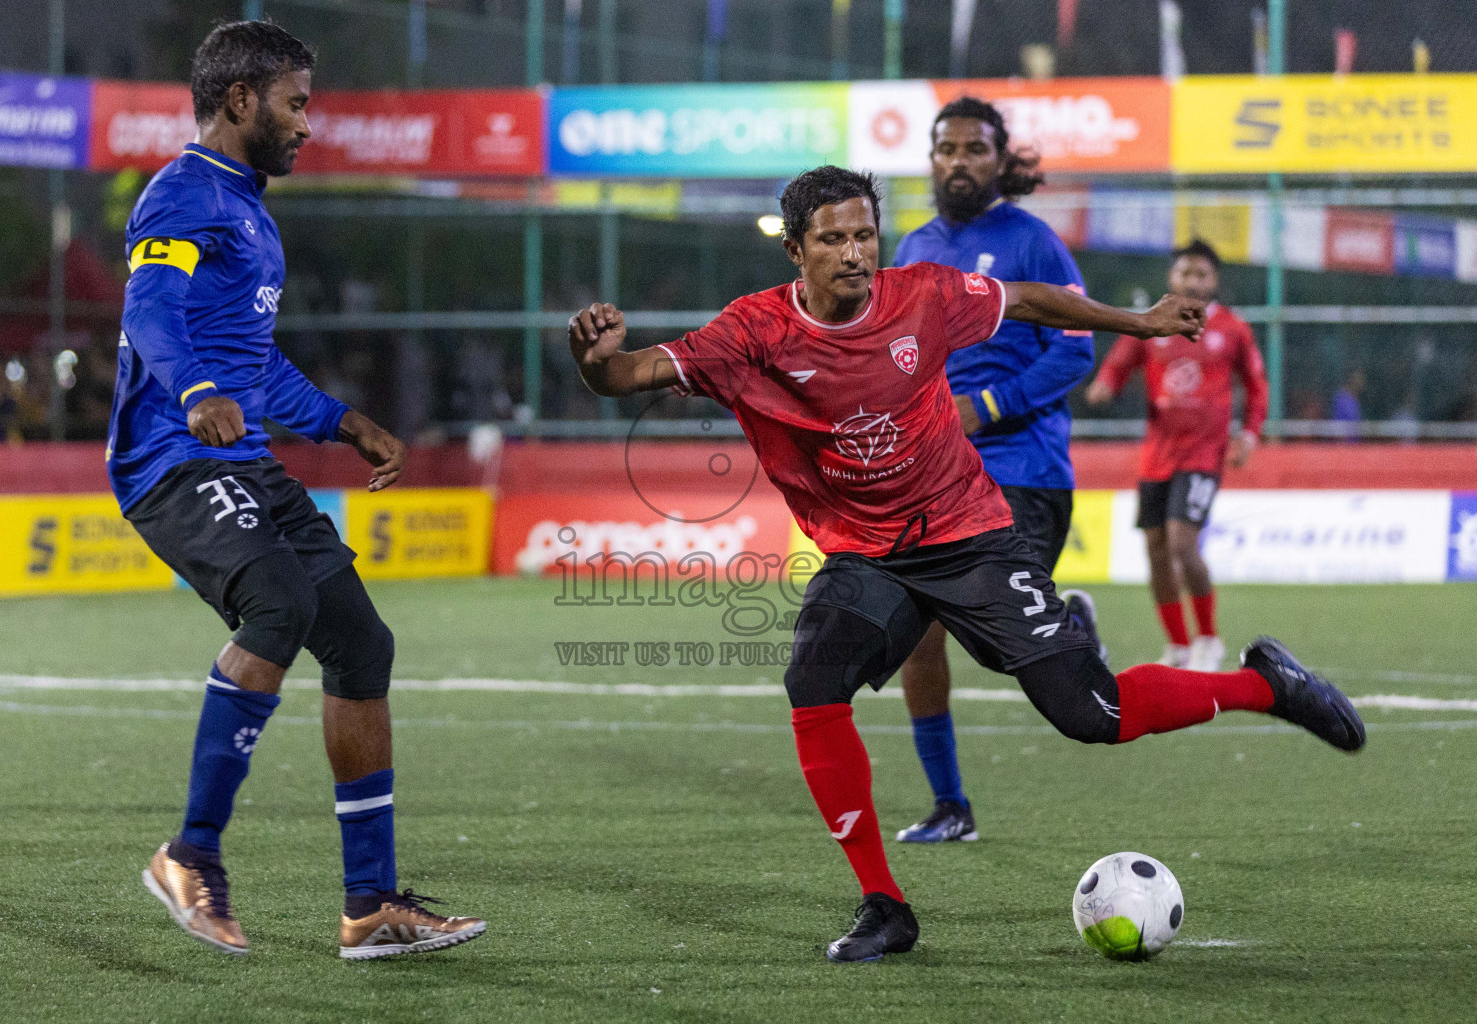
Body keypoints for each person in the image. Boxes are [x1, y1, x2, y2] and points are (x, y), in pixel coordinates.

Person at [566, 167, 1364, 964]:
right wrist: (597, 359)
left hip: (970, 534)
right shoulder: (751, 334)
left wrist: (1140, 322)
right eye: (833, 239)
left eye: (864, 234)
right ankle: (886, 905)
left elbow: (1029, 298)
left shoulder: (923, 295)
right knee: (812, 680)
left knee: (1095, 716)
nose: (854, 253)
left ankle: (1269, 686)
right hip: (867, 556)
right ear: (797, 254)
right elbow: (629, 374)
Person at [112, 20, 484, 959]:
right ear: (241, 100)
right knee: (276, 604)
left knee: (361, 643)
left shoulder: (250, 212)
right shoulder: (181, 195)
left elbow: (256, 364)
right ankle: (189, 855)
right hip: (172, 460)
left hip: (242, 459)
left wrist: (341, 420)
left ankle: (370, 908)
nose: (307, 123)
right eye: (296, 102)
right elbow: (152, 311)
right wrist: (193, 391)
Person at [889, 95, 1097, 845]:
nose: (958, 161)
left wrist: (989, 403)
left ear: (1000, 160)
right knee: (919, 630)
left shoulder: (1035, 244)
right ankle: (950, 806)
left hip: (1021, 466)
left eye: (975, 149)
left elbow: (1076, 349)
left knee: (996, 639)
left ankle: (1065, 624)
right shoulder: (912, 247)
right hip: (933, 473)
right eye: (946, 149)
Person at [1087, 240, 1268, 671]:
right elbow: (1118, 363)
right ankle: (1178, 646)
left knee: (1183, 543)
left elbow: (1257, 387)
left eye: (1201, 274)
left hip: (1205, 454)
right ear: (1171, 278)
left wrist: (1249, 435)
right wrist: (1105, 384)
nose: (1192, 281)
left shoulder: (1233, 329)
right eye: (1184, 273)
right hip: (1157, 455)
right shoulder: (1154, 325)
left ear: (1215, 281)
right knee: (1154, 548)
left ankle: (1209, 638)